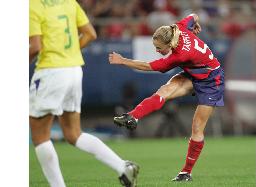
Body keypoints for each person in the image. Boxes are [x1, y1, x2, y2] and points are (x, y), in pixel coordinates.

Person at [29, 0, 139, 187]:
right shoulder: (69, 2)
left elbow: (35, 46)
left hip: (50, 72)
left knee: (40, 135)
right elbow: (90, 33)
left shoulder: (33, 5)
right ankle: (122, 166)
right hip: (73, 70)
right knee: (73, 133)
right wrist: (69, 53)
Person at [109, 13, 224, 182]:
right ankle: (132, 116)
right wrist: (196, 23)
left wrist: (123, 60)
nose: (157, 50)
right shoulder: (178, 27)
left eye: (159, 48)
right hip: (193, 73)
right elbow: (194, 15)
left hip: (212, 81)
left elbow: (149, 66)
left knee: (197, 128)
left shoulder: (181, 55)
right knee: (164, 91)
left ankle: (186, 172)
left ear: (170, 43)